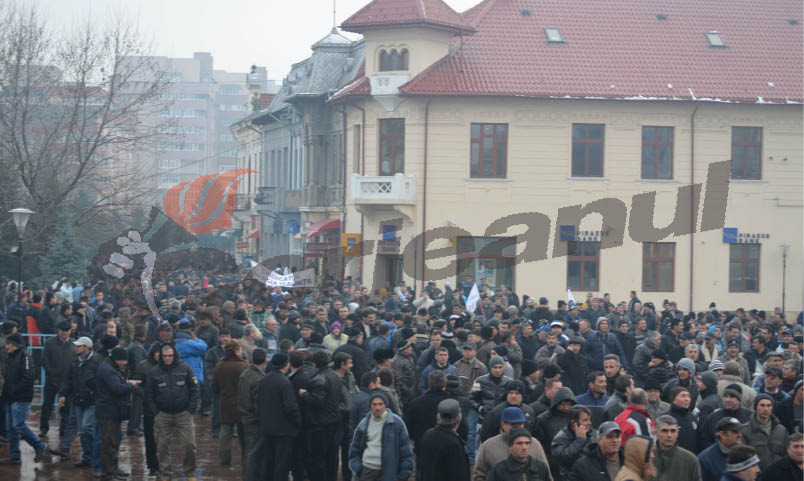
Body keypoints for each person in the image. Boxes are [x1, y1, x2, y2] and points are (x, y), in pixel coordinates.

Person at [146, 342, 201, 481]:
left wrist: (191, 408)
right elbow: (148, 394)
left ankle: (190, 473)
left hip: (183, 413)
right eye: (165, 356)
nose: (167, 358)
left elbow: (194, 388)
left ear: (174, 355)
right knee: (162, 447)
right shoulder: (153, 372)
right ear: (161, 356)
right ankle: (165, 475)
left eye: (170, 355)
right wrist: (155, 411)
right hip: (162, 414)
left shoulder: (185, 368)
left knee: (190, 444)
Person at [54, 336, 101, 473]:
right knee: (82, 431)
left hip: (92, 401)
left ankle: (94, 457)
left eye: (79, 346)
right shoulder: (75, 362)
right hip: (78, 400)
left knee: (87, 427)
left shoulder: (97, 361)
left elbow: (101, 381)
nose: (76, 347)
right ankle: (87, 458)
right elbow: (69, 380)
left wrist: (95, 393)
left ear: (87, 347)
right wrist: (63, 394)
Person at [0, 333, 47, 465]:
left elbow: (29, 377)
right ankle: (15, 455)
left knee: (18, 425)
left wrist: (14, 390)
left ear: (14, 345)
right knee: (11, 428)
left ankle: (39, 445)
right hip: (9, 397)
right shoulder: (10, 357)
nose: (6, 347)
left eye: (8, 344)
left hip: (21, 397)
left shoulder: (25, 357)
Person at [348, 392, 413, 481]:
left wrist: (403, 475)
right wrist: (357, 468)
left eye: (380, 404)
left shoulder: (397, 423)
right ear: (370, 406)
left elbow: (406, 451)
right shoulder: (363, 423)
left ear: (385, 405)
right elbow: (354, 449)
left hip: (388, 471)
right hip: (366, 469)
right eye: (374, 404)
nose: (377, 407)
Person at [300, 350, 344, 481]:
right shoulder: (335, 376)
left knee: (318, 460)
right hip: (334, 422)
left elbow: (317, 401)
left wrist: (304, 394)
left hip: (320, 425)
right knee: (332, 459)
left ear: (314, 364)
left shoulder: (319, 379)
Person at [96, 347, 139, 481]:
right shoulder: (107, 369)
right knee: (109, 444)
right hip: (108, 411)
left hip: (113, 411)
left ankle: (113, 470)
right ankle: (108, 474)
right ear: (116, 359)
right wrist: (132, 386)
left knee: (113, 443)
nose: (125, 363)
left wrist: (126, 383)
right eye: (123, 360)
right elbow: (117, 388)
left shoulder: (111, 367)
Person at [258, 351, 302, 481]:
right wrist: (298, 421)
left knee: (268, 462)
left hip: (267, 427)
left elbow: (258, 401)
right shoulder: (285, 382)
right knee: (281, 464)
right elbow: (290, 407)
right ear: (285, 364)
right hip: (283, 430)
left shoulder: (264, 379)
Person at [476, 407, 553, 481]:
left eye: (520, 424)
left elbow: (546, 473)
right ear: (503, 424)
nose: (517, 428)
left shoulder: (535, 444)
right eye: (513, 425)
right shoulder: (488, 446)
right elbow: (479, 475)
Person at [212, 339, 249, 467]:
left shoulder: (219, 365)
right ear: (236, 351)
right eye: (240, 349)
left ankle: (225, 460)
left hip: (225, 403)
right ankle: (246, 460)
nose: (241, 351)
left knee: (225, 433)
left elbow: (214, 386)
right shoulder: (244, 366)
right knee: (244, 434)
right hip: (241, 404)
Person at [417, 398, 470, 481]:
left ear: (438, 417)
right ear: (459, 418)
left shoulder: (428, 434)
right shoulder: (454, 443)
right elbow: (459, 475)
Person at [40, 320, 76, 438]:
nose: (65, 333)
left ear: (70, 331)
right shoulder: (50, 343)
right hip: (52, 380)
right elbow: (44, 360)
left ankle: (63, 429)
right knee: (47, 405)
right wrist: (51, 372)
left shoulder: (74, 344)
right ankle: (43, 428)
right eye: (63, 330)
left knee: (66, 407)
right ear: (58, 330)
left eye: (67, 331)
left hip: (67, 381)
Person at [238, 347, 267, 481]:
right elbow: (256, 403)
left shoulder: (245, 374)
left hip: (246, 417)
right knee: (253, 452)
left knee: (249, 451)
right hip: (255, 420)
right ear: (265, 361)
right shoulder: (259, 378)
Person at [739, 394, 788, 469]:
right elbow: (743, 457)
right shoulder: (745, 431)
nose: (766, 409)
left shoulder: (782, 430)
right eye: (762, 405)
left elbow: (787, 455)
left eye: (769, 405)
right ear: (755, 408)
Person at [485, 428, 551, 481]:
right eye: (519, 443)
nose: (524, 447)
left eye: (527, 443)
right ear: (510, 446)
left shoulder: (541, 467)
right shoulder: (499, 470)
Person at [552, 405, 596, 481]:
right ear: (573, 423)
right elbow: (563, 458)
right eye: (585, 420)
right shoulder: (560, 438)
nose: (589, 423)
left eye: (589, 419)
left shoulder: (594, 433)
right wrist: (580, 440)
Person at [653, 415, 702, 481]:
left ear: (677, 433)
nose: (669, 435)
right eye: (664, 431)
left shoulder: (690, 459)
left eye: (673, 431)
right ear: (656, 433)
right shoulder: (648, 458)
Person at [666, 387, 699, 453]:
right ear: (673, 399)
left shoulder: (693, 417)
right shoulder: (667, 418)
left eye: (688, 396)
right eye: (683, 396)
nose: (687, 399)